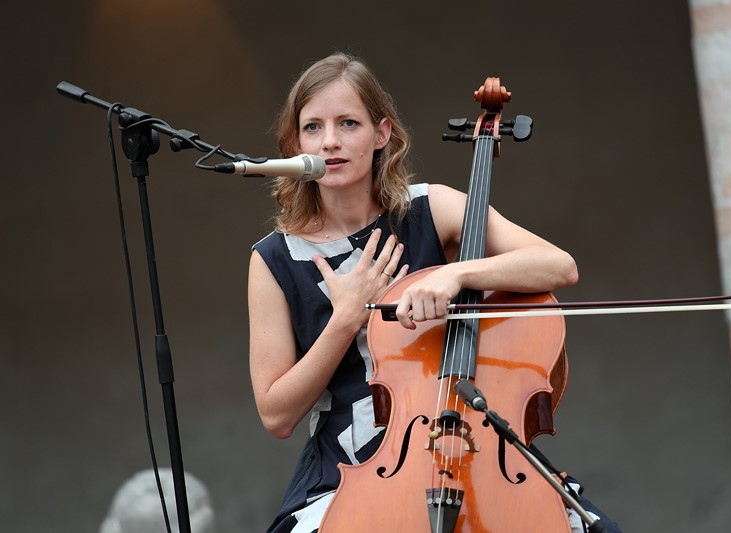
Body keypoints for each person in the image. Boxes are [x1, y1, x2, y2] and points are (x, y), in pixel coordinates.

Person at [248, 52, 621, 533]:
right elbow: (276, 414)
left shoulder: (430, 208)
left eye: (348, 123)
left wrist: (457, 274)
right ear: (295, 142)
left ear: (381, 134)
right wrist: (344, 320)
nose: (332, 142)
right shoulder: (274, 259)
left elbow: (557, 266)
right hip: (340, 476)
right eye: (313, 127)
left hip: (465, 450)